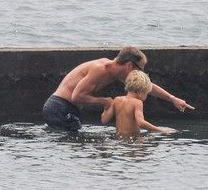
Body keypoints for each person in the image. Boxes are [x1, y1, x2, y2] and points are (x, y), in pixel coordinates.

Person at [43, 46, 193, 133]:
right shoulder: (100, 69)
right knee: (74, 137)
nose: (140, 74)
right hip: (58, 107)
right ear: (129, 65)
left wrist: (172, 99)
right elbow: (76, 96)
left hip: (67, 109)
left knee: (75, 135)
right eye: (140, 69)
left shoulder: (117, 73)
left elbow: (147, 86)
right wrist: (105, 101)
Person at [101, 70, 174, 138]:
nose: (146, 96)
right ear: (141, 91)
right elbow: (141, 123)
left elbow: (104, 120)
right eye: (146, 93)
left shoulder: (117, 100)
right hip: (134, 138)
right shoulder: (137, 102)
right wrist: (159, 130)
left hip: (119, 137)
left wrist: (106, 108)